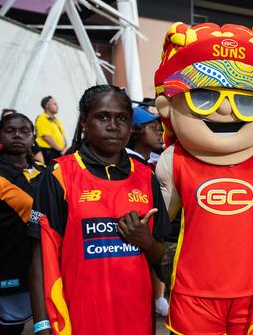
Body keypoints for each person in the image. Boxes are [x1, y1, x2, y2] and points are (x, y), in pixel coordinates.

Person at [153, 22, 253, 335]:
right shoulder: (175, 160)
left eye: (245, 99)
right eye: (204, 97)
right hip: (193, 293)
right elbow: (158, 223)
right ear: (168, 104)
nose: (226, 109)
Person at [27, 85, 170, 335]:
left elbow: (161, 256)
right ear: (84, 122)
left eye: (121, 118)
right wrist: (42, 324)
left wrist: (146, 242)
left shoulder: (146, 178)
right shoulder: (60, 174)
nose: (113, 126)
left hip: (135, 319)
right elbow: (40, 255)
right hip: (79, 317)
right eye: (103, 117)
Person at [0, 113, 46, 335]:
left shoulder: (47, 172)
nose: (18, 135)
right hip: (6, 263)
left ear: (33, 136)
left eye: (24, 131)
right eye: (10, 131)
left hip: (40, 265)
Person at [125, 105, 169, 317]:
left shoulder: (152, 162)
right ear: (134, 130)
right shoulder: (127, 165)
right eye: (153, 127)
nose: (160, 131)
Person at [35, 96, 67, 164]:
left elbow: (62, 136)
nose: (57, 106)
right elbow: (46, 137)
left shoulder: (56, 120)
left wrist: (65, 148)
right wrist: (60, 149)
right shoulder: (42, 118)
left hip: (59, 152)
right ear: (47, 106)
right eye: (55, 104)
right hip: (49, 152)